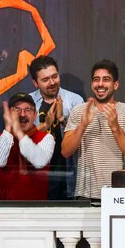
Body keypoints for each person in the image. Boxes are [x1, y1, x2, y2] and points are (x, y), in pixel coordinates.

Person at [61, 60, 125, 200]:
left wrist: (115, 126)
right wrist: (83, 125)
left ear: (115, 85)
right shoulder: (79, 111)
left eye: (106, 79)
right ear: (92, 85)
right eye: (96, 80)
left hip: (118, 193)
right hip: (85, 194)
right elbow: (66, 151)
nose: (100, 84)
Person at [29, 55, 83, 199]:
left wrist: (62, 119)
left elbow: (81, 138)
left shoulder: (75, 100)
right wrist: (45, 124)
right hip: (36, 175)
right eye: (45, 80)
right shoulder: (28, 103)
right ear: (35, 83)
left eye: (55, 76)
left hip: (67, 173)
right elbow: (21, 138)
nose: (52, 82)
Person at [0, 93, 55, 200]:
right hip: (5, 209)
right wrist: (8, 128)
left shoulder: (46, 138)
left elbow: (39, 162)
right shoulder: (0, 138)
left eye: (28, 110)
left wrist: (17, 131)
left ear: (35, 115)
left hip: (36, 208)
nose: (22, 114)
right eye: (16, 110)